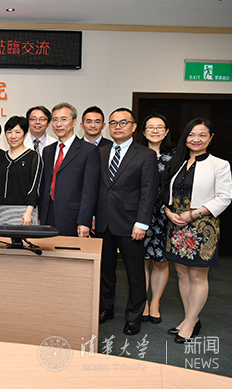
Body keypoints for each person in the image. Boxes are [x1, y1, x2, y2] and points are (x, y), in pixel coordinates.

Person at [161, 118, 232, 343]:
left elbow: (224, 197)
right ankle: (190, 317)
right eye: (192, 134)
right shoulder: (177, 161)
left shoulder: (219, 164)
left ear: (211, 138)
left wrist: (194, 214)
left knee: (198, 276)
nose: (196, 139)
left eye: (202, 135)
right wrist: (168, 212)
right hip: (177, 224)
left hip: (202, 225)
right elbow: (165, 191)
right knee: (182, 274)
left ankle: (191, 322)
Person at [95, 108, 158, 336]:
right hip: (103, 222)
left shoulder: (145, 155)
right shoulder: (100, 152)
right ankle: (106, 307)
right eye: (113, 123)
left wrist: (142, 223)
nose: (117, 127)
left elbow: (148, 191)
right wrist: (93, 216)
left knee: (134, 273)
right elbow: (96, 188)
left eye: (123, 122)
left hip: (131, 224)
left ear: (133, 126)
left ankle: (134, 316)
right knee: (105, 270)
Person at [39, 103, 99, 237]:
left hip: (73, 217)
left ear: (74, 122)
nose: (58, 124)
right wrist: (41, 216)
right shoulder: (48, 151)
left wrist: (84, 221)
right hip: (48, 216)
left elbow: (89, 190)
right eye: (55, 120)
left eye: (64, 119)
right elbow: (45, 185)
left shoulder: (88, 151)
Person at [137, 113, 175, 324]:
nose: (154, 130)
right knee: (141, 260)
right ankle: (142, 302)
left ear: (166, 131)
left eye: (159, 127)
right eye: (150, 127)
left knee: (160, 261)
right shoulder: (137, 153)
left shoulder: (176, 157)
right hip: (140, 214)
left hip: (165, 215)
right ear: (143, 132)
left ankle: (155, 303)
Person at [0, 116, 43, 225]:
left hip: (25, 211)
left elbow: (35, 187)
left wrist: (29, 211)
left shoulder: (33, 157)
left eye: (17, 132)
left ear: (25, 134)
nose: (13, 136)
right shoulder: (0, 157)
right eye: (9, 132)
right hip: (3, 211)